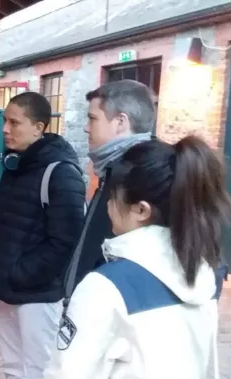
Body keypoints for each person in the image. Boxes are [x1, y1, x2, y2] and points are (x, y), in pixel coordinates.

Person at [45, 136, 231, 378]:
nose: (108, 206)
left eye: (112, 197)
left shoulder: (105, 288)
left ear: (141, 210)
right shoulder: (201, 275)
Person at [0, 92, 86, 379]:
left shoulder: (61, 172)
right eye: (6, 121)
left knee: (41, 371)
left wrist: (18, 273)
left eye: (15, 122)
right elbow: (2, 225)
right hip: (5, 288)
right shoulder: (17, 165)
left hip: (36, 294)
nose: (6, 129)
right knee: (14, 369)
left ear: (38, 127)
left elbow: (65, 241)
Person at [64, 79, 155, 297]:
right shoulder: (113, 170)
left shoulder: (142, 177)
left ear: (121, 122)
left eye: (93, 119)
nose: (86, 128)